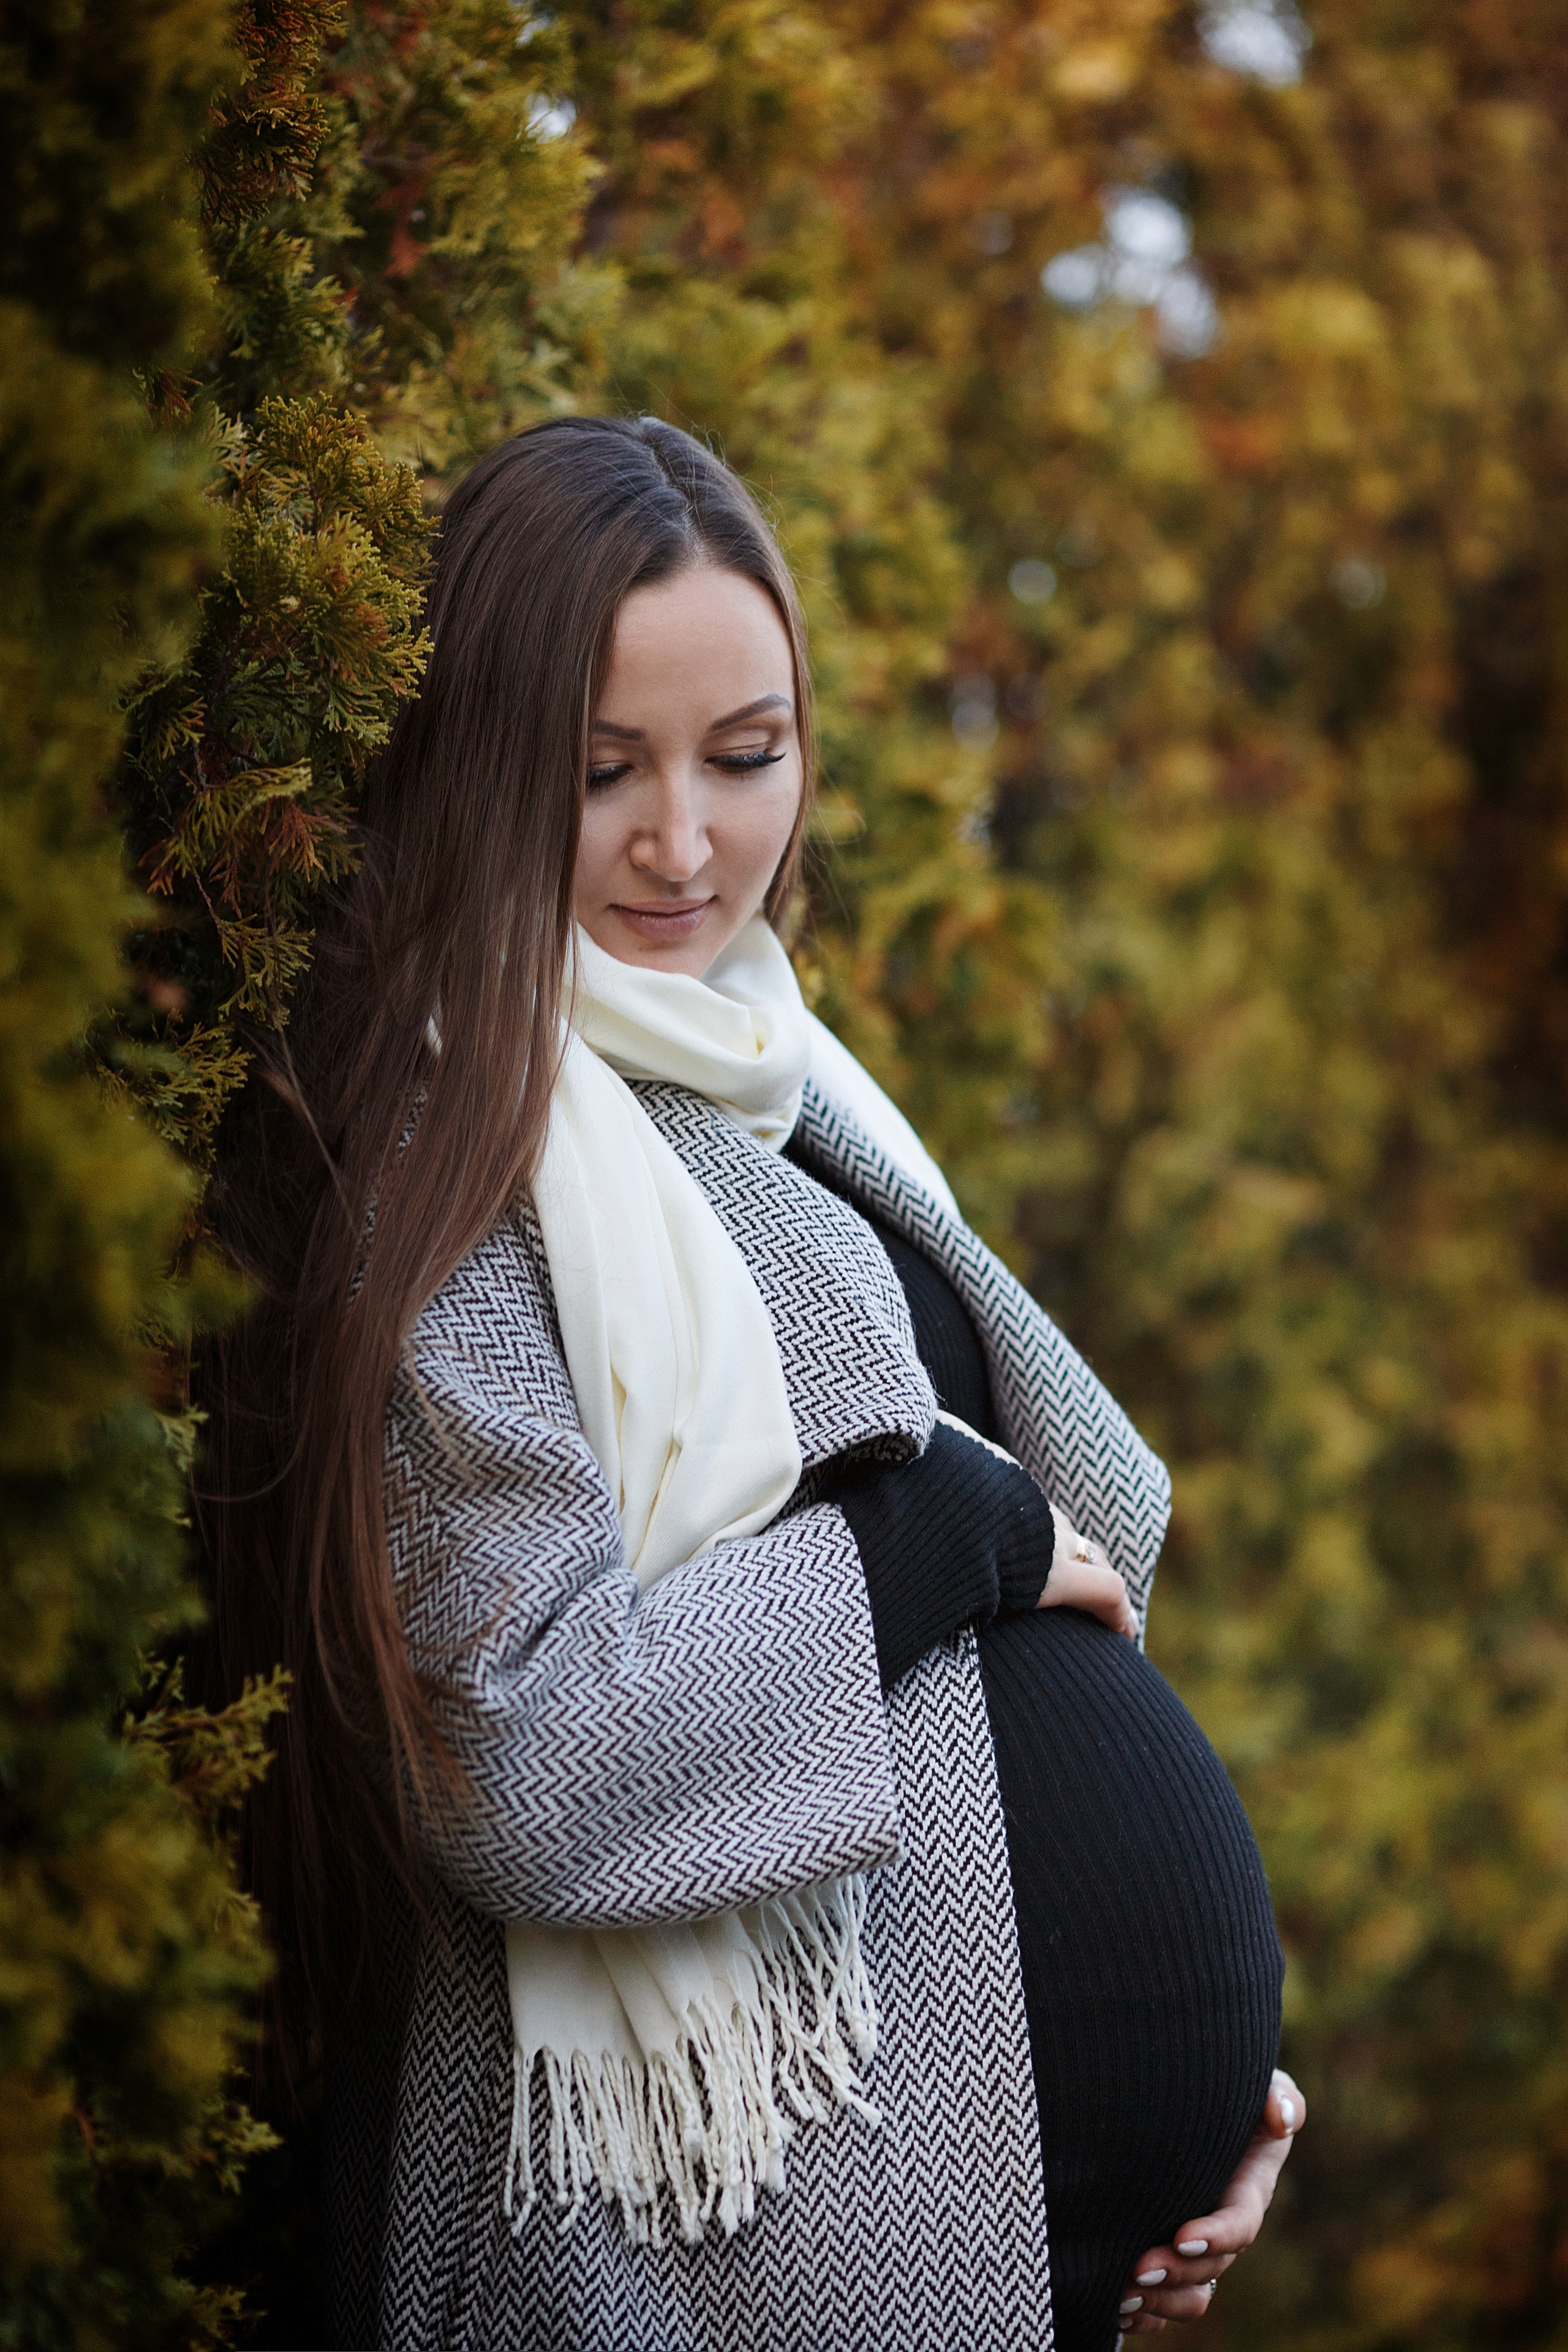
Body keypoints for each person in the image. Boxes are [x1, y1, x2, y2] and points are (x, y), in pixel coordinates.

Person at [202, 413, 1303, 2352]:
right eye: (600, 771)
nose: (684, 844)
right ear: (475, 764)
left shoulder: (765, 1076)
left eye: (745, 758)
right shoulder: (458, 1156)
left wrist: (1202, 2089)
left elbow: (1063, 1595)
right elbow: (525, 1754)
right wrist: (927, 1531)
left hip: (963, 2193)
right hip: (692, 2254)